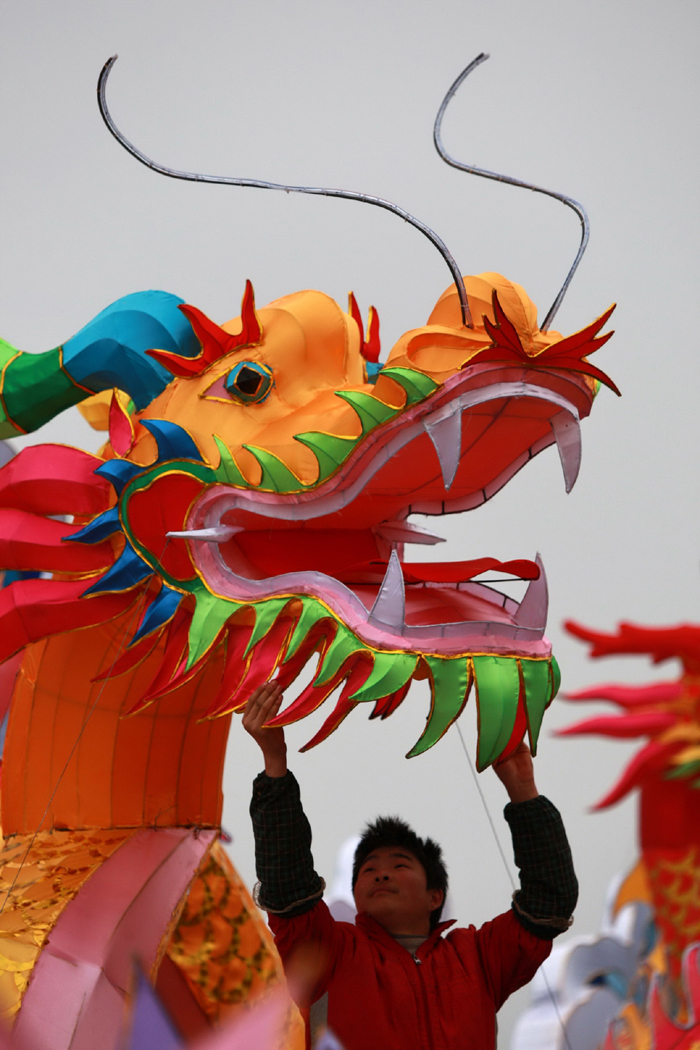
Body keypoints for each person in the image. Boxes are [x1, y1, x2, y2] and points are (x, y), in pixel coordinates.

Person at [244, 681, 578, 1050]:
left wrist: (524, 791)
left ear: (435, 896)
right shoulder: (330, 950)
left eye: (399, 864)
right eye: (368, 869)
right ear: (355, 894)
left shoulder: (478, 957)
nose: (381, 873)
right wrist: (274, 762)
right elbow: (288, 888)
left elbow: (549, 902)